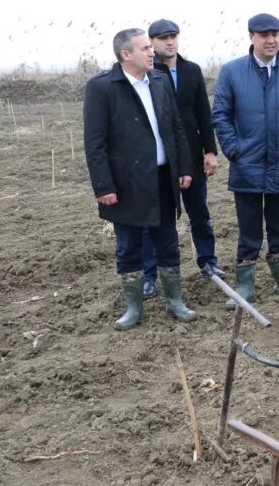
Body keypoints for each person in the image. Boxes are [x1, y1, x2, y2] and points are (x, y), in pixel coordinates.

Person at [83, 28, 196, 330]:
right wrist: (104, 186)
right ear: (125, 54)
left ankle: (175, 301)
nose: (152, 52)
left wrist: (184, 167)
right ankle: (134, 308)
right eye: (145, 48)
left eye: (150, 47)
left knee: (168, 241)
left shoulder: (159, 80)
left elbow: (176, 129)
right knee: (128, 246)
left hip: (162, 177)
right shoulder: (103, 88)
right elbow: (95, 143)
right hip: (126, 183)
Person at [212, 13, 279, 308]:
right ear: (251, 37)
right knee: (249, 228)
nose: (271, 40)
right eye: (264, 35)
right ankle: (245, 286)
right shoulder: (231, 71)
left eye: (275, 34)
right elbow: (220, 113)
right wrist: (234, 149)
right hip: (247, 165)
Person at [138, 19, 223, 300]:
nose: (170, 42)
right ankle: (149, 276)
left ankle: (208, 262)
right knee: (155, 221)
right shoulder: (146, 74)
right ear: (152, 43)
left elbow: (203, 112)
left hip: (191, 156)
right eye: (163, 38)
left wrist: (210, 151)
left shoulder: (191, 71)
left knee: (200, 214)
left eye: (173, 36)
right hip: (160, 160)